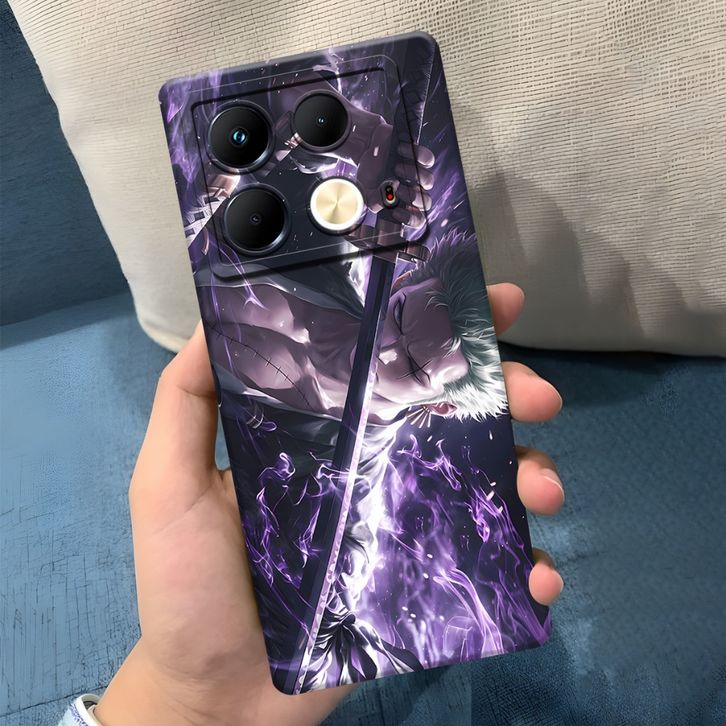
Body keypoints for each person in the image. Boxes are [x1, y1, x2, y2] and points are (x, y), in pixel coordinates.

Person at [59, 282, 565, 725]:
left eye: (413, 364)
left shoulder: (384, 490)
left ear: (437, 403)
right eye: (397, 315)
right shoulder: (277, 321)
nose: (386, 344)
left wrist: (190, 707)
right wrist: (180, 701)